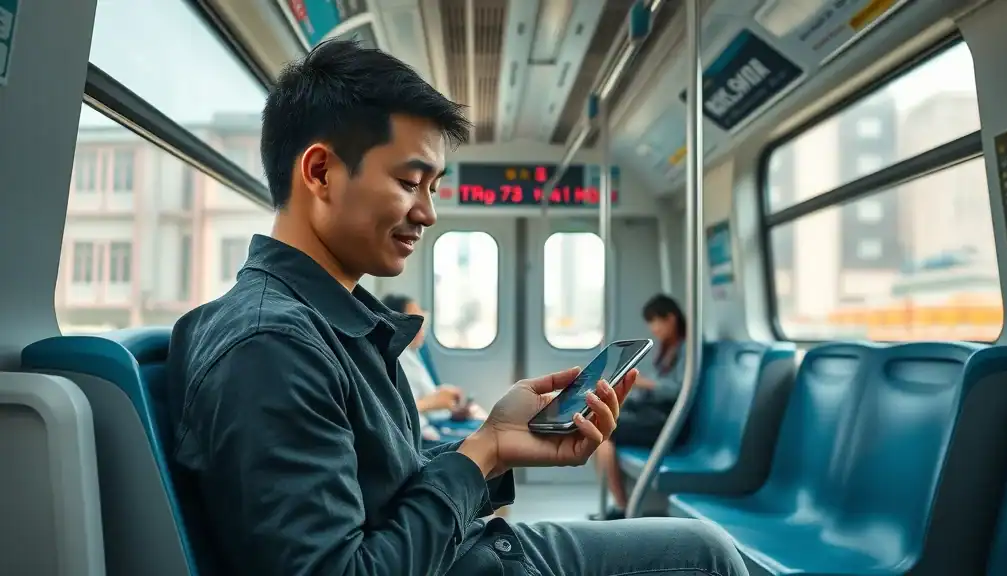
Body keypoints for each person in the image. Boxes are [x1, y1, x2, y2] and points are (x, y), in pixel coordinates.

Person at [163, 38, 747, 576]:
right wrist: (482, 453)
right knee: (706, 555)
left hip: (460, 554)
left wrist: (494, 438)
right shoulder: (272, 347)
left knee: (702, 546)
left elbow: (382, 485)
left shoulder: (325, 324)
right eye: (409, 182)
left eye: (433, 187)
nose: (428, 213)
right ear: (320, 172)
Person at [592, 294, 688, 520]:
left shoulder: (687, 349)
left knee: (604, 432)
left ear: (671, 319)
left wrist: (643, 383)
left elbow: (679, 390)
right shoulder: (668, 349)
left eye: (656, 321)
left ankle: (624, 508)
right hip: (654, 413)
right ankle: (622, 505)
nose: (653, 328)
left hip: (669, 421)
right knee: (601, 424)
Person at [381, 294, 488, 443]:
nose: (421, 328)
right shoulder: (392, 358)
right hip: (419, 436)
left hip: (432, 423)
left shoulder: (414, 353)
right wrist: (433, 402)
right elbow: (392, 412)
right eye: (415, 320)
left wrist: (451, 410)